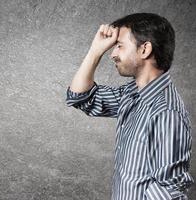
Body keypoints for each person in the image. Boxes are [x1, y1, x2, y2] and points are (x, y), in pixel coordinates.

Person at [65, 13, 194, 200]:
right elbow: (80, 97)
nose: (113, 54)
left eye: (119, 46)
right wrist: (95, 51)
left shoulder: (166, 112)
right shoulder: (131, 94)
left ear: (144, 49)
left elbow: (169, 193)